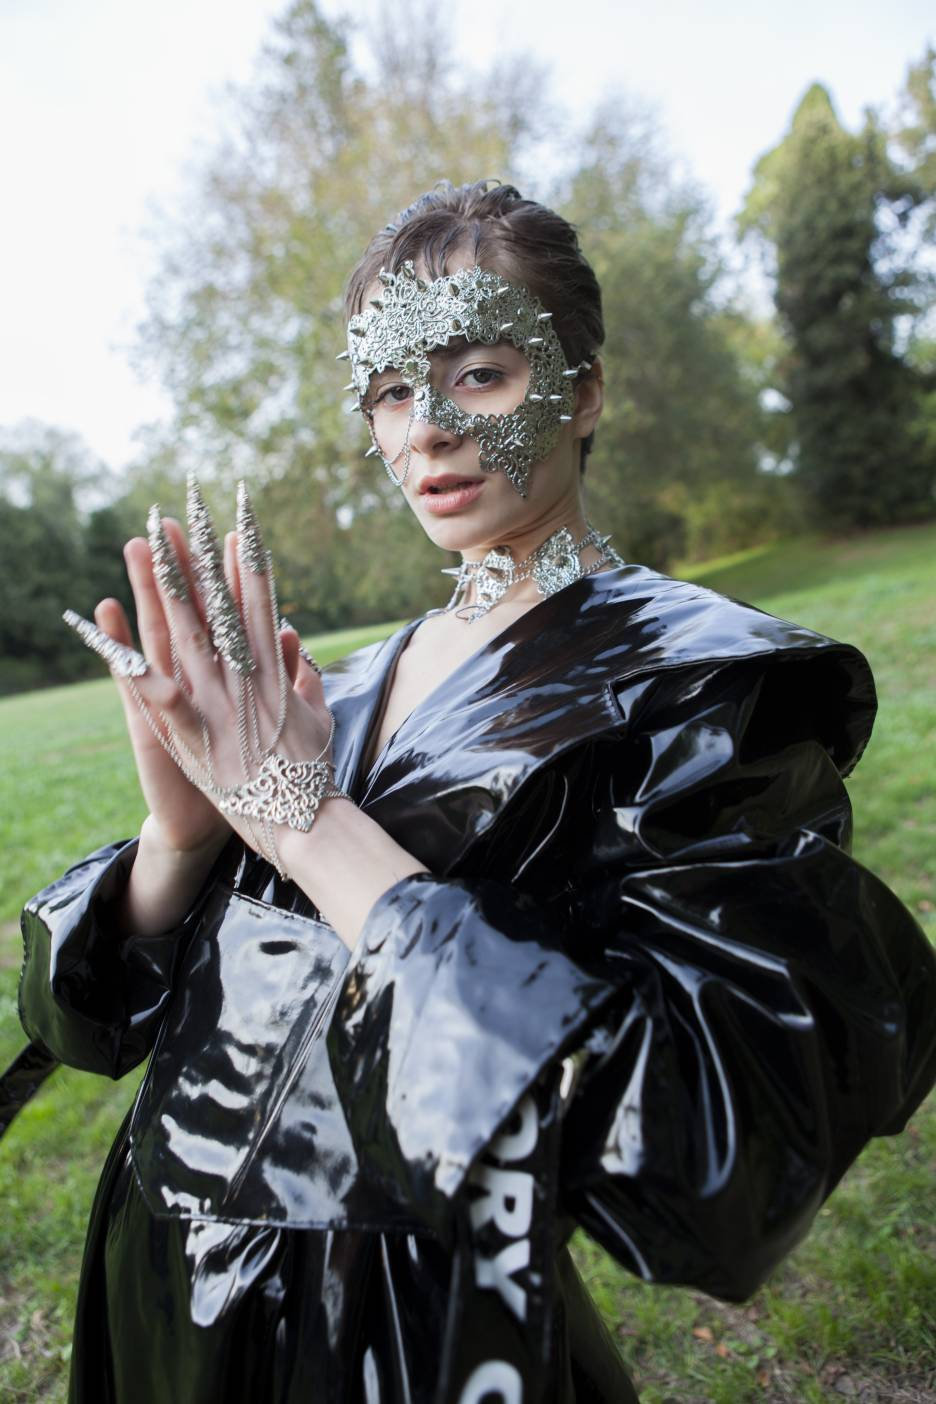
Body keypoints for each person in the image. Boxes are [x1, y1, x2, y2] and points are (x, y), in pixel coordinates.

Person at [3, 180, 935, 1404]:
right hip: (156, 1292)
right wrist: (177, 844)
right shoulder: (334, 685)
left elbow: (710, 1150)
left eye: (480, 374)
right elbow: (93, 1028)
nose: (426, 428)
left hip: (402, 1328)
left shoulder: (697, 687)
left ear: (584, 388)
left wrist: (309, 822)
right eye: (391, 390)